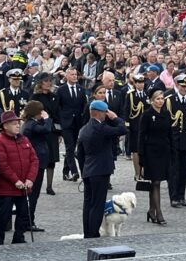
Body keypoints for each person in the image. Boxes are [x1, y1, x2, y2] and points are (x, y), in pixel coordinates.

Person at [75, 100, 127, 238]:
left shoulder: (84, 129)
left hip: (88, 171)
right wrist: (115, 118)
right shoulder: (101, 128)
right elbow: (123, 129)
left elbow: (79, 154)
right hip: (101, 171)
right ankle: (93, 234)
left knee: (88, 204)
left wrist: (84, 170)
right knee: (97, 205)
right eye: (105, 112)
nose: (106, 115)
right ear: (99, 113)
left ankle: (88, 232)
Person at [0, 111, 39, 245]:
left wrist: (30, 179)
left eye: (18, 123)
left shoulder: (24, 139)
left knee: (23, 213)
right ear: (5, 126)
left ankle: (19, 237)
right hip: (7, 187)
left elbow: (34, 160)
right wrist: (15, 180)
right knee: (4, 215)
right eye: (14, 124)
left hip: (24, 186)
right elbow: (2, 165)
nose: (18, 126)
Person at [165, 75, 186, 208]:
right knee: (174, 170)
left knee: (184, 169)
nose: (185, 88)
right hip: (173, 139)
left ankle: (181, 196)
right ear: (177, 85)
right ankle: (174, 197)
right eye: (183, 86)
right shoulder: (169, 100)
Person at [138, 90, 172, 225]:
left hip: (163, 151)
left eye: (162, 98)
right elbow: (141, 136)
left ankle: (151, 210)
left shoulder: (166, 114)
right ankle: (159, 212)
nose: (160, 101)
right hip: (150, 152)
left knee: (157, 182)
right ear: (152, 100)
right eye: (157, 99)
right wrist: (141, 156)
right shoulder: (146, 115)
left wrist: (172, 151)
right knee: (155, 182)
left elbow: (170, 133)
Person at [21, 101, 52, 231]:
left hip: (37, 161)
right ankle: (28, 221)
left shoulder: (30, 123)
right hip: (36, 163)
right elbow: (46, 129)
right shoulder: (31, 125)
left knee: (33, 194)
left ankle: (28, 220)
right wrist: (47, 119)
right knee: (33, 194)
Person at [31, 72, 61, 194]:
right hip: (39, 130)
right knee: (37, 158)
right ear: (40, 83)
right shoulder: (35, 97)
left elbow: (58, 115)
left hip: (52, 131)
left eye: (50, 81)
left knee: (51, 159)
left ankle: (49, 186)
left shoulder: (54, 96)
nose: (49, 83)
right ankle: (34, 183)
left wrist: (59, 132)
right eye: (46, 81)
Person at [57, 68, 86, 181]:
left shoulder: (81, 89)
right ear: (67, 76)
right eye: (72, 74)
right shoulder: (61, 90)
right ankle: (74, 171)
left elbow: (84, 105)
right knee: (69, 147)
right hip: (66, 123)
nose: (75, 76)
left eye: (76, 74)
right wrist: (60, 121)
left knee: (73, 146)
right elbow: (58, 107)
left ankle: (65, 171)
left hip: (78, 122)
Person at [124, 74, 149, 180]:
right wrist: (127, 125)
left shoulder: (147, 94)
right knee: (136, 150)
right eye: (138, 83)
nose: (141, 85)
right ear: (135, 83)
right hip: (135, 126)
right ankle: (137, 173)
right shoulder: (130, 95)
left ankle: (144, 171)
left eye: (142, 82)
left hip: (146, 127)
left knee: (146, 149)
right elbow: (127, 110)